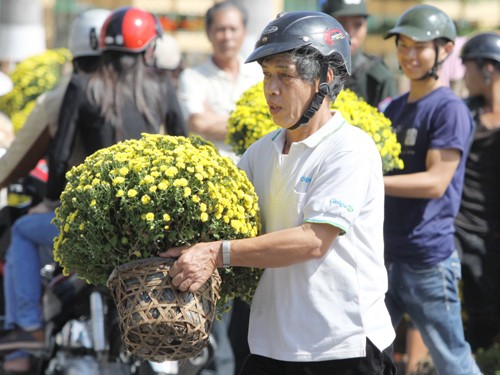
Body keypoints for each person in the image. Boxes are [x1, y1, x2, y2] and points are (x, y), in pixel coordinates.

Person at [160, 10, 396, 374]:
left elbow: (313, 241)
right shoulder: (261, 151)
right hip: (271, 343)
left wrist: (215, 254)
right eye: (267, 75)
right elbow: (226, 224)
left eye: (284, 75)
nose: (270, 88)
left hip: (342, 346)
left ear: (326, 78)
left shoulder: (349, 149)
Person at [0, 8, 111, 374]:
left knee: (20, 230)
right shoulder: (147, 86)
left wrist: (50, 198)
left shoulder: (66, 93)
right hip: (138, 229)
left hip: (80, 223)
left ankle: (27, 330)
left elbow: (21, 158)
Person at [382, 4, 482, 375]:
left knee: (452, 360)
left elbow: (436, 181)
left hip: (428, 259)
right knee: (362, 353)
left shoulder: (449, 109)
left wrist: (372, 183)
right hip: (385, 256)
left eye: (419, 46)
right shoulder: (394, 110)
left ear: (445, 50)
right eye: (402, 45)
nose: (409, 55)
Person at [455, 31, 500, 352]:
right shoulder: (463, 113)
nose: (463, 74)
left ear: (488, 68)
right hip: (459, 230)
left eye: (467, 66)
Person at [176, 0, 262, 162]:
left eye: (233, 29)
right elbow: (198, 123)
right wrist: (253, 123)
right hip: (211, 171)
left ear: (244, 32)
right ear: (208, 33)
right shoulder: (192, 77)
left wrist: (214, 119)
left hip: (255, 169)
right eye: (220, 29)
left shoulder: (259, 74)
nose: (227, 36)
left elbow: (272, 121)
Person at [321, 0, 398, 108]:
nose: (350, 33)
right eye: (341, 23)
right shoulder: (308, 70)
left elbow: (387, 123)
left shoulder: (377, 77)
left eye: (358, 25)